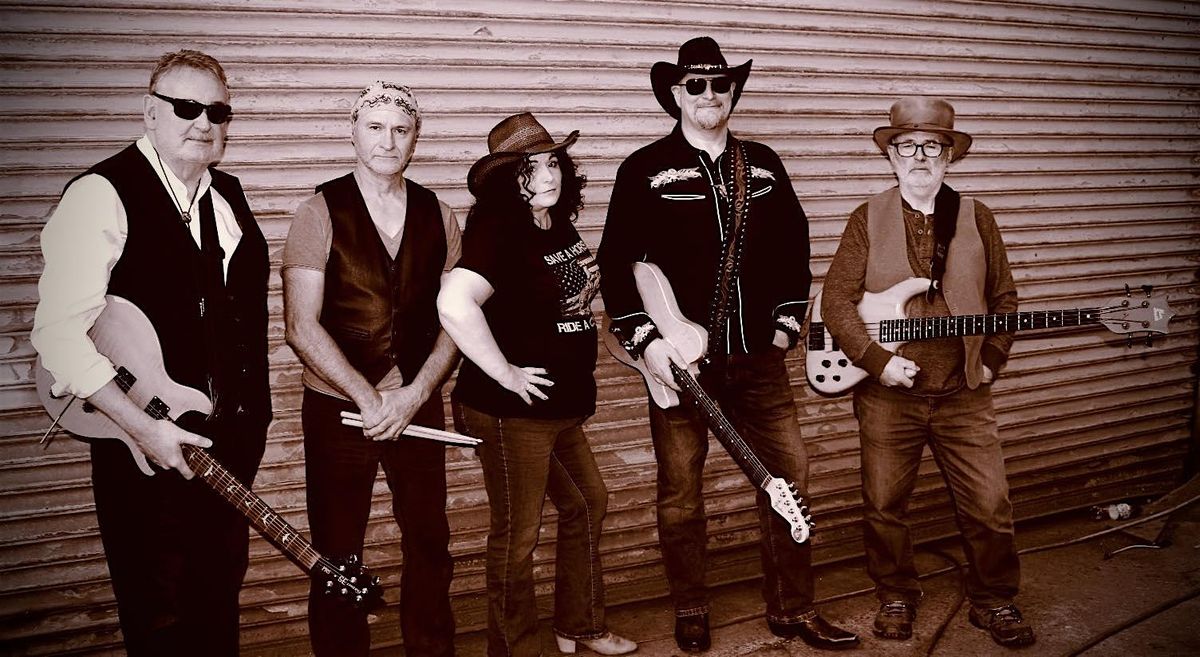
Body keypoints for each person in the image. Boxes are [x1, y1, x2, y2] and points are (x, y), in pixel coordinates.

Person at [597, 37, 859, 653]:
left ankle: (793, 609)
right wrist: (647, 343)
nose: (709, 95)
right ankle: (690, 607)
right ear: (676, 93)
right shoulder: (643, 169)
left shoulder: (763, 164)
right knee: (680, 494)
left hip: (758, 362)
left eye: (720, 84)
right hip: (680, 365)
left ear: (733, 92)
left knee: (789, 479)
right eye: (696, 85)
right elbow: (615, 263)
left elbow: (795, 246)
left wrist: (787, 326)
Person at [31, 50, 271, 656]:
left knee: (216, 607)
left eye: (217, 111)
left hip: (225, 449)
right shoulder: (101, 194)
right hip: (142, 450)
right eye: (186, 107)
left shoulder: (227, 196)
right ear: (149, 112)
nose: (203, 123)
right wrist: (144, 430)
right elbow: (59, 335)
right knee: (161, 621)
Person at [820, 97, 1035, 648]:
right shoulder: (866, 218)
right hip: (888, 397)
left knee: (990, 506)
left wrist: (991, 359)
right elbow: (836, 302)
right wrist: (877, 362)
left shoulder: (977, 217)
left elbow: (1005, 299)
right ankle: (896, 593)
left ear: (949, 157)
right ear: (891, 156)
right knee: (884, 506)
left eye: (932, 146)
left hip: (964, 392)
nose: (919, 156)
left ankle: (994, 599)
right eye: (908, 146)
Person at [438, 113, 636, 657]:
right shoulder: (498, 231)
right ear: (508, 179)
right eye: (530, 168)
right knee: (518, 535)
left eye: (553, 163)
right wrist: (504, 372)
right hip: (511, 413)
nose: (547, 176)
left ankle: (579, 625)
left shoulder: (554, 223)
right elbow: (453, 304)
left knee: (587, 502)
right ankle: (515, 648)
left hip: (558, 407)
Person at [282, 81, 461, 657]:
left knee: (430, 541)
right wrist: (367, 398)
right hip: (338, 408)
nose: (388, 141)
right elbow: (300, 326)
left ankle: (431, 650)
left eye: (401, 129)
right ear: (354, 133)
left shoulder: (440, 214)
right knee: (337, 553)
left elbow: (456, 320)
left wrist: (415, 395)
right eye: (375, 127)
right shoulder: (317, 211)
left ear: (415, 138)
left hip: (416, 402)